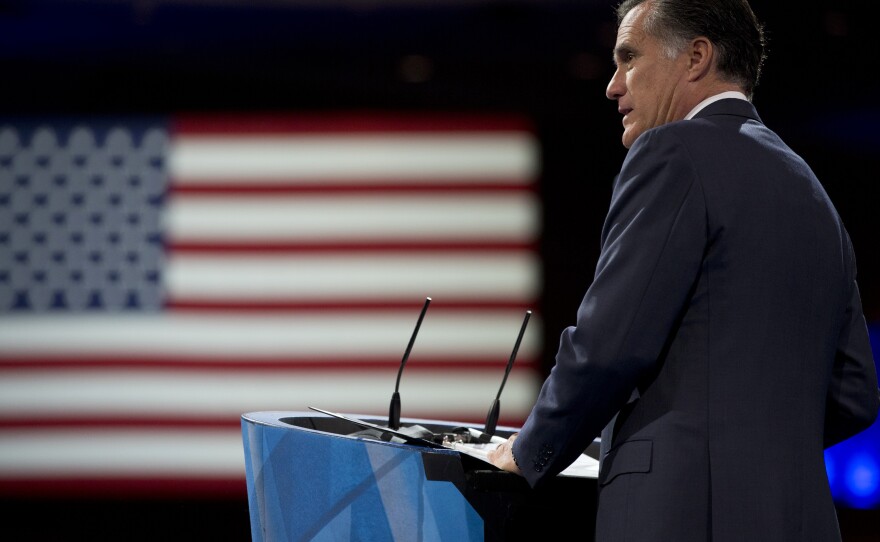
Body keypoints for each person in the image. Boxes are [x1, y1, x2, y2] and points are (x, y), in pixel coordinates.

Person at [487, 0, 880, 540]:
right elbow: (855, 394)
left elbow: (610, 344)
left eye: (629, 59)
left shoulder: (671, 152)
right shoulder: (813, 193)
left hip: (684, 514)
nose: (613, 85)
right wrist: (755, 456)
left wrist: (529, 449)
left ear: (695, 57)